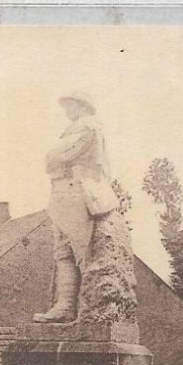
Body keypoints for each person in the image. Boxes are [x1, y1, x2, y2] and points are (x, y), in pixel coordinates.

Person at [35, 92, 118, 323]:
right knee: (63, 252)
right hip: (63, 193)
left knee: (82, 250)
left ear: (81, 105)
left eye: (68, 105)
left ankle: (88, 308)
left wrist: (53, 157)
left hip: (78, 191)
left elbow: (57, 155)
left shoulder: (87, 127)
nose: (65, 110)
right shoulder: (76, 128)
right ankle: (65, 306)